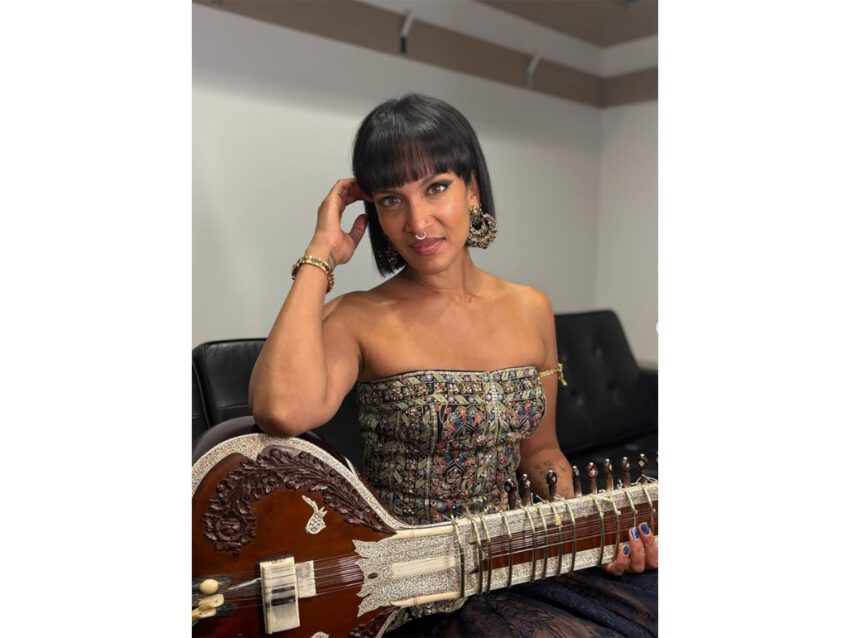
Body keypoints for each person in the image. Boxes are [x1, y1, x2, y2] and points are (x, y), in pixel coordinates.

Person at [249, 93, 657, 637]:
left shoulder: (530, 308)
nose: (418, 221)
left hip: (520, 562)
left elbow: (541, 453)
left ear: (472, 189)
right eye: (392, 200)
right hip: (414, 592)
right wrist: (321, 253)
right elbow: (280, 410)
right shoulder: (356, 317)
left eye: (436, 187)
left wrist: (590, 534)